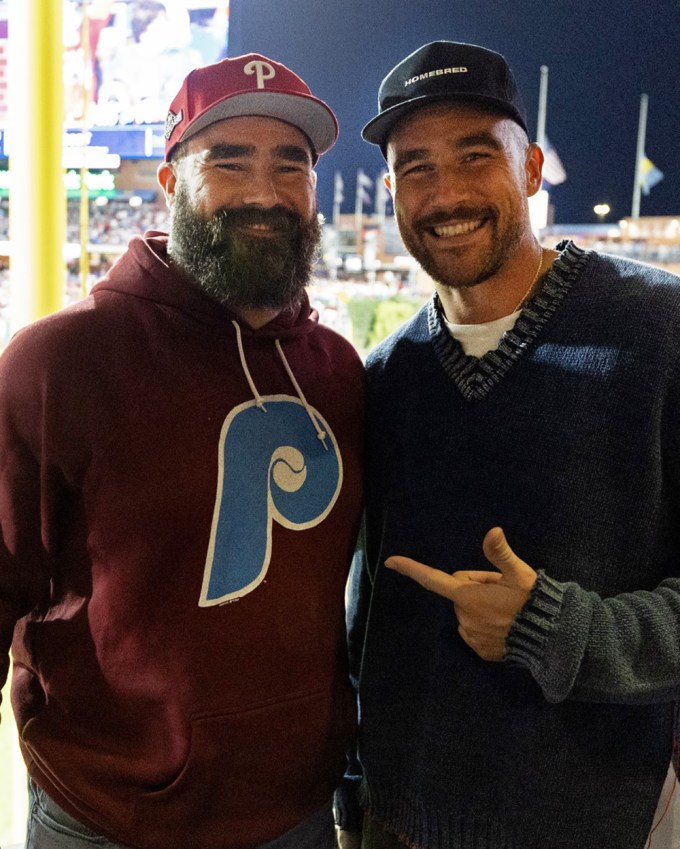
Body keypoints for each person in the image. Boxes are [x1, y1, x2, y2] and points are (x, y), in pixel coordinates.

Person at [0, 53, 364, 849]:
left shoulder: (339, 372)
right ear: (169, 185)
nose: (264, 192)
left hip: (297, 812)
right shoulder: (59, 362)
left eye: (289, 164)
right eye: (227, 161)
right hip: (107, 815)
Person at [333, 40, 680, 849]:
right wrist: (355, 795)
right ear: (390, 193)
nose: (446, 191)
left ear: (532, 168)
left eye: (476, 154)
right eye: (415, 167)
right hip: (400, 823)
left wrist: (555, 630)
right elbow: (371, 618)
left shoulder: (659, 330)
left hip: (594, 825)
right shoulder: (388, 375)